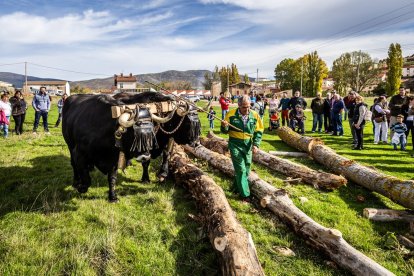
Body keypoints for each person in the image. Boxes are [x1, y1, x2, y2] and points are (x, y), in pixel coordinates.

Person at [221, 95, 264, 202]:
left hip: (248, 145)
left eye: (249, 106)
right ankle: (245, 195)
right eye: (244, 107)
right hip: (235, 144)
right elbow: (225, 131)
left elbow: (259, 131)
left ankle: (236, 188)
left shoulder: (254, 115)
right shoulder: (230, 114)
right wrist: (224, 126)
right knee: (240, 169)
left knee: (247, 168)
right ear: (239, 105)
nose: (247, 109)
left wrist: (256, 144)